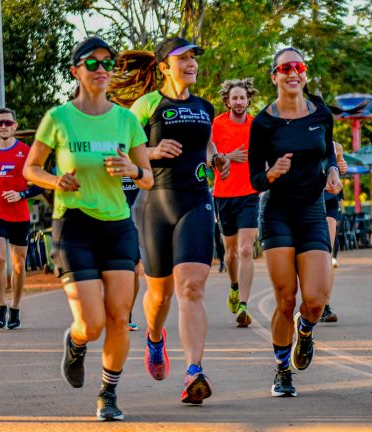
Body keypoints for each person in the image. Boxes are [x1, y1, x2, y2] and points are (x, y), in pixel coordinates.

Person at [24, 36, 153, 421]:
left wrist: (132, 170)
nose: (101, 69)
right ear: (75, 71)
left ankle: (108, 393)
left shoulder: (127, 120)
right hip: (75, 225)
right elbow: (31, 168)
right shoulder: (58, 118)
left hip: (117, 226)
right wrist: (55, 180)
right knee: (92, 323)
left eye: (107, 62)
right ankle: (76, 342)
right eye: (92, 63)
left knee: (119, 317)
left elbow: (146, 177)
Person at [110, 37, 230, 405]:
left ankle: (194, 370)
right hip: (154, 205)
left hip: (196, 201)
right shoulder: (146, 105)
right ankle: (155, 337)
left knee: (191, 287)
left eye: (194, 57)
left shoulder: (204, 106)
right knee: (159, 294)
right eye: (184, 58)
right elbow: (119, 150)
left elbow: (206, 143)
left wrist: (216, 158)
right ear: (164, 66)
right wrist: (152, 150)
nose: (192, 63)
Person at [249, 47, 342, 397]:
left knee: (315, 300)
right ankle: (281, 369)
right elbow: (254, 178)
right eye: (285, 68)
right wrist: (271, 173)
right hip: (276, 213)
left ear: (304, 73)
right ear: (274, 76)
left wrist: (332, 170)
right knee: (286, 298)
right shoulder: (263, 122)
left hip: (312, 210)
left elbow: (328, 153)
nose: (293, 73)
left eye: (298, 67)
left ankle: (305, 332)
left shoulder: (320, 111)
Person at [0, 107, 43, 330]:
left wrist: (22, 194)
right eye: (0, 123)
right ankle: (0, 306)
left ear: (16, 126)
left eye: (8, 123)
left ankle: (15, 308)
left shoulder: (27, 152)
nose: (4, 126)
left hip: (19, 215)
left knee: (18, 264)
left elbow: (41, 183)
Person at [212, 78, 259, 328]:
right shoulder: (217, 124)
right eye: (234, 98)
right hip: (223, 195)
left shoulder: (256, 125)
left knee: (244, 249)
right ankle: (233, 286)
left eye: (242, 98)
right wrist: (227, 157)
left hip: (249, 194)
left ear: (248, 99)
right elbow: (208, 155)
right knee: (230, 253)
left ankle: (243, 305)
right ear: (227, 101)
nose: (239, 102)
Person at [320, 142, 347, 323]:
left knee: (326, 254)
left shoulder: (336, 147)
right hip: (306, 199)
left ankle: (325, 306)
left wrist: (342, 167)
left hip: (329, 201)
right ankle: (310, 300)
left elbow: (339, 168)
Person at [121, 175, 142, 331]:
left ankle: (126, 314)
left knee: (134, 272)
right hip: (111, 216)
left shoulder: (140, 154)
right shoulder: (106, 152)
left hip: (136, 220)